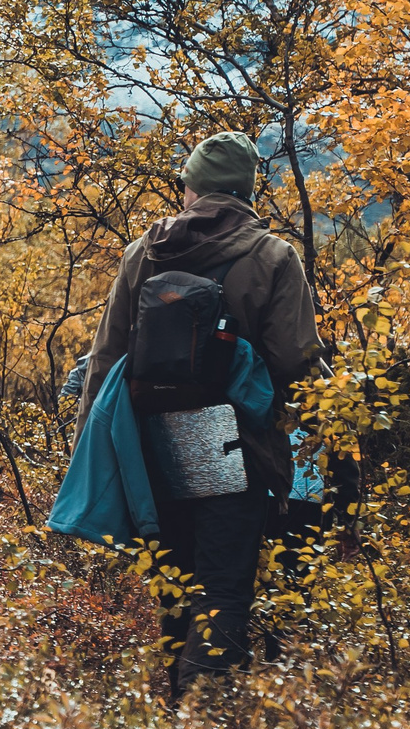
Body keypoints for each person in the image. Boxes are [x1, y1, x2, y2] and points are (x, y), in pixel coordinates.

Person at [77, 130, 319, 691]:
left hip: (149, 440)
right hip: (235, 440)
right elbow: (294, 362)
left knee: (174, 581)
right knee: (224, 585)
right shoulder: (273, 256)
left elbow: (108, 355)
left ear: (191, 187)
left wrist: (90, 448)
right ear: (246, 191)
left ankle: (174, 713)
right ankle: (208, 721)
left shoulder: (143, 251)